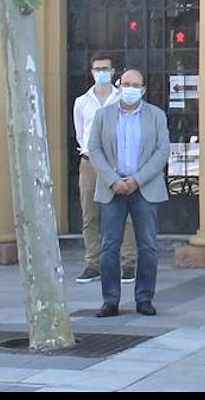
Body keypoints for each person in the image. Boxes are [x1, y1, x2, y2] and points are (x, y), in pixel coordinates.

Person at [87, 69, 169, 317]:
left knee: (149, 246)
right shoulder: (103, 115)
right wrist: (113, 180)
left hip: (144, 188)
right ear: (119, 86)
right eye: (126, 84)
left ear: (143, 89)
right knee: (109, 245)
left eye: (136, 85)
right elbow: (94, 149)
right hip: (113, 188)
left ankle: (144, 298)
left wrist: (137, 179)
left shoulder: (156, 115)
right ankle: (110, 300)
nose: (131, 88)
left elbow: (162, 150)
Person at [72, 54, 136, 285]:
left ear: (113, 71)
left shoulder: (123, 99)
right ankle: (93, 263)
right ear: (91, 71)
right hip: (90, 162)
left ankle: (128, 263)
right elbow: (81, 133)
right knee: (90, 214)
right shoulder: (82, 102)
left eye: (105, 68)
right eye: (97, 68)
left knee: (123, 213)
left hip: (117, 162)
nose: (101, 72)